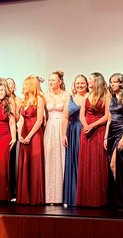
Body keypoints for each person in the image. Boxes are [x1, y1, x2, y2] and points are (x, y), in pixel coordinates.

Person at [76, 72, 108, 207]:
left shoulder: (106, 96)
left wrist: (92, 126)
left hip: (99, 130)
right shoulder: (87, 96)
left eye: (90, 80)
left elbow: (107, 116)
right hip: (86, 131)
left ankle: (98, 199)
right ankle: (85, 198)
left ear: (97, 81)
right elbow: (81, 115)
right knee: (86, 162)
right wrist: (86, 126)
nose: (88, 82)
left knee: (97, 163)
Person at [105, 72, 123, 209]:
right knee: (111, 166)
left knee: (116, 165)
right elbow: (109, 119)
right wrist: (105, 136)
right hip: (111, 133)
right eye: (111, 82)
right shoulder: (110, 98)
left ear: (121, 83)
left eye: (115, 81)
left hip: (121, 132)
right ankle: (115, 199)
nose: (112, 84)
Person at [17, 75, 46, 205]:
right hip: (24, 133)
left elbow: (39, 120)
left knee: (34, 163)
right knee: (25, 163)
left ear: (32, 85)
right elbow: (21, 119)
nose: (23, 87)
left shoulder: (39, 99)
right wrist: (20, 134)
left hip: (34, 135)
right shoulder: (24, 100)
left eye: (26, 84)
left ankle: (35, 197)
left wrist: (29, 136)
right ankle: (24, 197)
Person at [62, 74, 87, 207]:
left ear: (87, 84)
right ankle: (73, 196)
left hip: (86, 131)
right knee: (73, 161)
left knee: (83, 161)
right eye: (78, 83)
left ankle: (84, 196)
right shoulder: (70, 98)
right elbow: (65, 117)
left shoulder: (90, 97)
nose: (80, 85)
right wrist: (63, 134)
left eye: (82, 83)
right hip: (72, 132)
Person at [44, 70, 69, 204]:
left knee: (61, 158)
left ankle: (61, 196)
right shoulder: (45, 95)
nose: (51, 82)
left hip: (61, 126)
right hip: (49, 128)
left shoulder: (66, 95)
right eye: (49, 80)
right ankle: (48, 196)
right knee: (49, 157)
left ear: (59, 81)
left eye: (53, 80)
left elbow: (67, 115)